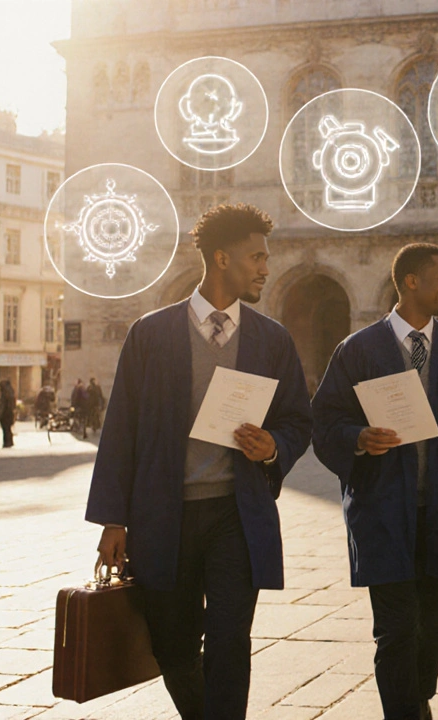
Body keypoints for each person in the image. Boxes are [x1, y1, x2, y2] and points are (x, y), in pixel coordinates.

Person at [86, 203, 313, 720]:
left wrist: (273, 445)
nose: (265, 268)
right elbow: (121, 429)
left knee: (231, 641)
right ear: (221, 258)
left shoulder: (272, 339)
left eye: (266, 258)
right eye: (256, 257)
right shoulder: (151, 333)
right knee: (174, 645)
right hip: (164, 517)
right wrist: (112, 519)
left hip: (238, 513)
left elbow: (300, 420)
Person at [311, 243, 438, 720]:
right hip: (381, 511)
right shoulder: (358, 350)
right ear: (411, 282)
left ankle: (416, 702)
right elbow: (324, 424)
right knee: (396, 628)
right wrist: (359, 437)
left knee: (434, 624)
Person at [0, 379, 16, 448]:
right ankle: (9, 442)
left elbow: (2, 405)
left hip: (5, 414)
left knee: (5, 429)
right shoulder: (11, 393)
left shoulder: (5, 394)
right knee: (8, 428)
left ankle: (7, 442)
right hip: (10, 413)